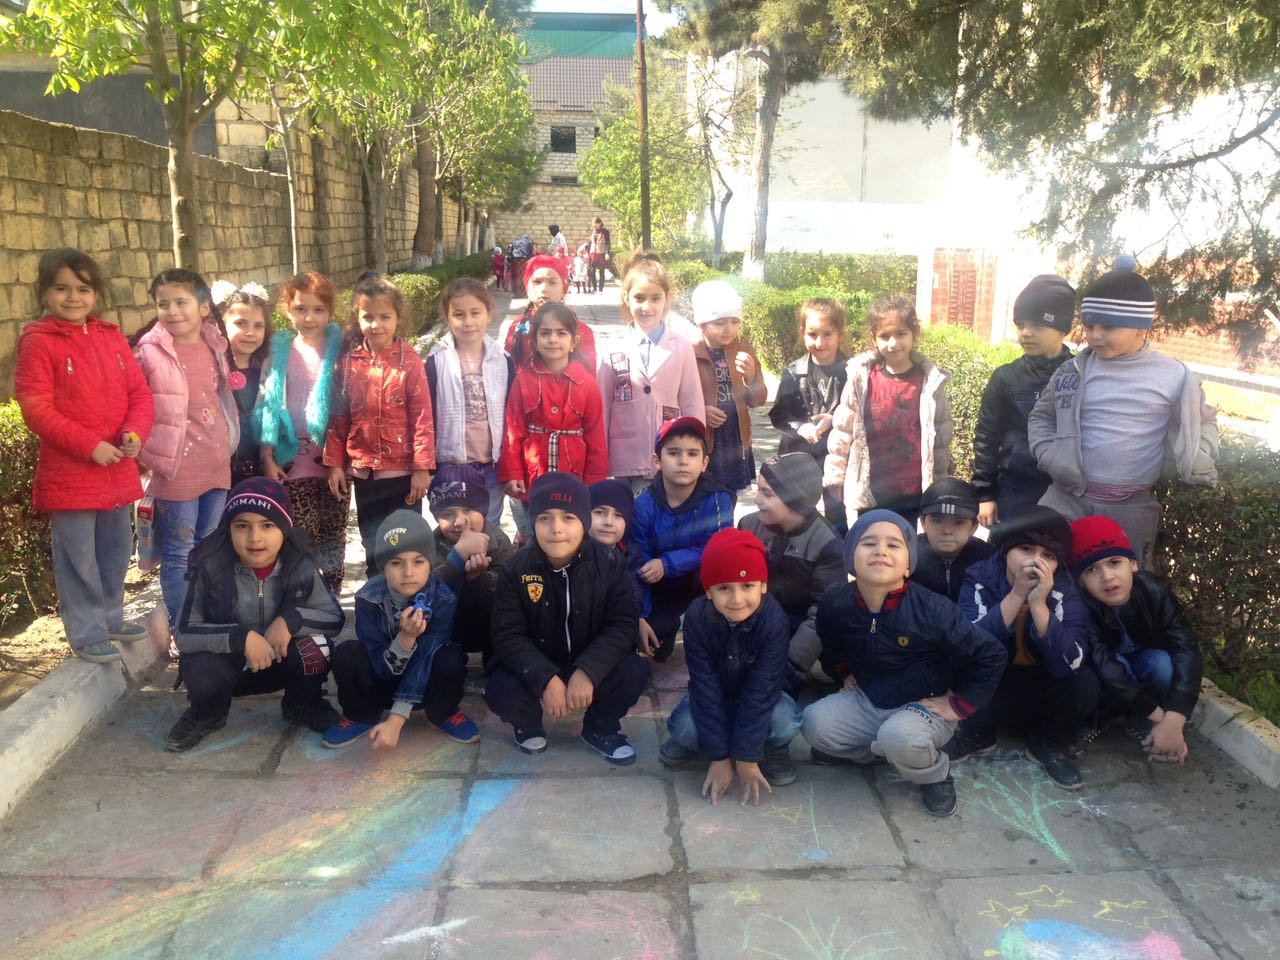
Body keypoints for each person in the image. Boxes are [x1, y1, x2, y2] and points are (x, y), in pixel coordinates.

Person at [802, 510, 1006, 817]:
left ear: (908, 564)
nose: (880, 551)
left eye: (893, 545)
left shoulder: (933, 610)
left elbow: (991, 654)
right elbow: (830, 638)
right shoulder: (836, 600)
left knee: (901, 738)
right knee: (813, 724)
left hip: (924, 707)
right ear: (850, 557)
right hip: (869, 699)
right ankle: (882, 752)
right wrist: (844, 672)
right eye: (868, 543)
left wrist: (958, 705)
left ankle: (933, 774)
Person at [1028, 260, 1218, 569]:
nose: (1095, 336)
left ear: (1141, 326)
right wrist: (1049, 455)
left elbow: (1204, 421)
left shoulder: (1174, 376)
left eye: (1108, 327)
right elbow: (1041, 417)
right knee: (1047, 575)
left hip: (1130, 511)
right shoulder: (1073, 370)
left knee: (1126, 585)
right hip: (1065, 500)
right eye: (1089, 326)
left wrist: (1199, 455)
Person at [14, 248, 154, 664]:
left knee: (115, 551)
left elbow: (139, 394)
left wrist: (134, 433)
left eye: (83, 289)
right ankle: (87, 632)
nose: (73, 297)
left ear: (96, 294)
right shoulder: (39, 342)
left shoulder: (111, 337)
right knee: (78, 559)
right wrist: (89, 445)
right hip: (72, 474)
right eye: (62, 288)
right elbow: (36, 409)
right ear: (44, 293)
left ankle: (110, 618)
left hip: (117, 471)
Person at [165, 478, 343, 751]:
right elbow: (185, 631)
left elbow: (334, 617)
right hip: (228, 666)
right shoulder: (209, 564)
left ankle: (303, 705)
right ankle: (207, 714)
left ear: (285, 528)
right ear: (228, 529)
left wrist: (291, 621)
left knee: (318, 647)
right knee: (198, 661)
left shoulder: (300, 562)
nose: (255, 537)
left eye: (267, 525)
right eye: (242, 526)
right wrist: (240, 638)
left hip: (279, 658)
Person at [485, 473, 650, 763]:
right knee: (500, 687)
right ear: (533, 522)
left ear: (584, 522)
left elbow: (623, 624)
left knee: (634, 670)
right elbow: (507, 635)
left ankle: (599, 727)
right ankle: (528, 724)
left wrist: (589, 670)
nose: (556, 528)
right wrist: (545, 678)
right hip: (538, 658)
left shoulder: (610, 563)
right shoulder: (515, 569)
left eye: (568, 518)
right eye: (545, 518)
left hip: (589, 657)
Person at [954, 506, 1097, 790]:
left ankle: (1049, 742)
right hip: (993, 685)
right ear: (1006, 551)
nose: (1035, 561)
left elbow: (1071, 660)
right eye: (1026, 549)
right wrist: (1017, 594)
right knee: (956, 664)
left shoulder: (1064, 592)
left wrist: (1039, 605)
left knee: (1085, 684)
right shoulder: (979, 578)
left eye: (1048, 556)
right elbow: (969, 646)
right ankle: (978, 733)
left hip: (1039, 686)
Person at [659, 528, 803, 802]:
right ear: (709, 591)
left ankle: (771, 750)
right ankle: (711, 744)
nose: (737, 600)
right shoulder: (696, 617)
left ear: (763, 586)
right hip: (717, 697)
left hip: (763, 699)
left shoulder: (774, 620)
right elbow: (704, 685)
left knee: (786, 720)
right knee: (683, 727)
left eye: (747, 586)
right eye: (724, 588)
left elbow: (762, 690)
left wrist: (746, 759)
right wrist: (720, 758)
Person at [322, 509, 484, 749]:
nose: (408, 572)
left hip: (425, 684)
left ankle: (443, 712)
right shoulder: (367, 598)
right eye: (396, 563)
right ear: (382, 567)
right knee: (347, 653)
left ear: (430, 564)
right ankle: (360, 715)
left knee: (451, 656)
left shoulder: (443, 599)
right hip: (383, 681)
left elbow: (426, 657)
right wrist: (405, 639)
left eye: (418, 561)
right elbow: (379, 665)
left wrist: (396, 719)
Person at [136, 268, 239, 632]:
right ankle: (184, 630)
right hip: (175, 467)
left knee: (207, 547)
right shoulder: (149, 352)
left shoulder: (215, 343)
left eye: (181, 302)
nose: (172, 311)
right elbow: (135, 403)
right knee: (179, 553)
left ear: (204, 307)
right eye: (163, 304)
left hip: (215, 463)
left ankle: (206, 622)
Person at [324, 273, 435, 577]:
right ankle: (376, 595)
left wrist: (422, 468)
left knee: (404, 541)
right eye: (368, 317)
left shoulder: (409, 362)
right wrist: (334, 463)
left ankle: (407, 594)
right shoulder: (349, 362)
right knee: (372, 540)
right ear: (357, 318)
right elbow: (339, 415)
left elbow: (423, 418)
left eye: (385, 317)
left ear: (398, 318)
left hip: (403, 474)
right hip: (365, 473)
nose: (376, 324)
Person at [1070, 516, 1202, 763]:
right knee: (1108, 669)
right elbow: (1103, 663)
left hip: (1142, 661)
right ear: (1081, 583)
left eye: (1114, 562)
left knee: (1161, 663)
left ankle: (1140, 720)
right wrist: (1162, 719)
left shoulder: (1155, 591)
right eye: (1091, 570)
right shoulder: (1081, 607)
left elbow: (1187, 648)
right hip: (1108, 671)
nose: (1107, 577)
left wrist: (1176, 718)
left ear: (1133, 564)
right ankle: (1102, 719)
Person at [824, 296, 952, 532]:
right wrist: (836, 473)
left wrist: (940, 483)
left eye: (901, 334)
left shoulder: (930, 383)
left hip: (914, 492)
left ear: (914, 333)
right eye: (884, 336)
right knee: (871, 544)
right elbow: (843, 429)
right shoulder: (861, 379)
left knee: (907, 547)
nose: (893, 343)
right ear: (873, 338)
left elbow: (941, 439)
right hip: (872, 490)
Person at [256, 272, 349, 592]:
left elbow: (346, 410)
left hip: (334, 466)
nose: (310, 318)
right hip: (291, 466)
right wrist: (268, 457)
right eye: (301, 309)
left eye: (318, 309)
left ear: (330, 311)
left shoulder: (341, 355)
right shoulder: (278, 356)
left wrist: (338, 461)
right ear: (287, 309)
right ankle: (303, 599)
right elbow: (267, 409)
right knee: (299, 537)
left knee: (333, 536)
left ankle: (331, 598)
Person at [972, 275, 1076, 527]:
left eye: (1037, 325)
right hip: (1015, 490)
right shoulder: (1006, 377)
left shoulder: (1080, 376)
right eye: (1020, 325)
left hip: (1067, 491)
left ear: (1062, 329)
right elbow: (986, 437)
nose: (1025, 333)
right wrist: (984, 494)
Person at [628, 417, 734, 662]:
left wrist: (668, 563)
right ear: (657, 461)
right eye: (673, 453)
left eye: (692, 454)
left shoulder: (718, 498)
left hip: (698, 581)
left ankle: (715, 627)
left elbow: (718, 548)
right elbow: (637, 562)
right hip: (659, 584)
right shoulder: (642, 505)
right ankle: (666, 624)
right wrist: (640, 615)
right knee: (653, 644)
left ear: (704, 463)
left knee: (721, 566)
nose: (683, 461)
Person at [499, 303, 607, 540]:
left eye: (561, 333)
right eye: (545, 333)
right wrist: (513, 472)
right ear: (535, 340)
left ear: (574, 341)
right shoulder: (523, 381)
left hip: (574, 473)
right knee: (534, 534)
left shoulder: (587, 383)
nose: (553, 340)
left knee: (570, 534)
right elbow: (513, 430)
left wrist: (595, 482)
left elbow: (596, 435)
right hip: (533, 474)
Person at [599, 252, 705, 493]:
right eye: (639, 298)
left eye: (655, 298)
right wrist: (599, 455)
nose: (646, 307)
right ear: (626, 298)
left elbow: (692, 402)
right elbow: (603, 406)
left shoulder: (681, 346)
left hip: (668, 454)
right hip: (624, 456)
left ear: (667, 299)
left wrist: (695, 452)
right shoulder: (611, 347)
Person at [737, 454, 844, 684]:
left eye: (767, 494)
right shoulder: (748, 526)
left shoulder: (826, 543)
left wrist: (788, 666)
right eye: (758, 489)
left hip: (797, 628)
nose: (756, 499)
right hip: (755, 621)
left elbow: (823, 612)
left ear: (796, 501)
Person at [425, 277, 513, 529]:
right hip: (451, 465)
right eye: (459, 314)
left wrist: (510, 464)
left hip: (491, 465)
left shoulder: (502, 360)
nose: (468, 321)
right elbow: (427, 415)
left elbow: (512, 415)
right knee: (454, 527)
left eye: (475, 312)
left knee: (489, 526)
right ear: (447, 317)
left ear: (488, 315)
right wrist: (427, 466)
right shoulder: (437, 361)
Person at [769, 297, 850, 529]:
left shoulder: (852, 372)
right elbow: (779, 414)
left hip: (837, 458)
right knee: (796, 514)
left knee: (838, 516)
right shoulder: (794, 372)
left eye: (827, 334)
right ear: (802, 333)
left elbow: (861, 413)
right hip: (799, 456)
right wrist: (800, 426)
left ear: (840, 334)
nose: (820, 342)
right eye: (812, 334)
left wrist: (835, 420)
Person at [424, 464, 513, 665]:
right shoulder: (430, 544)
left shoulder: (500, 542)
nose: (459, 521)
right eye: (447, 514)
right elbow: (428, 592)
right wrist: (456, 559)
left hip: (490, 628)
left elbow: (508, 595)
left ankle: (495, 661)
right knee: (445, 663)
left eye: (468, 510)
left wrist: (480, 578)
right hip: (449, 629)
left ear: (483, 510)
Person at [691, 280, 767, 493]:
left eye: (735, 322)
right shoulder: (691, 353)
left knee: (730, 496)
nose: (729, 329)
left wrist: (750, 377)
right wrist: (700, 412)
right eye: (719, 322)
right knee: (701, 494)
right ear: (702, 323)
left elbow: (758, 400)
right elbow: (680, 396)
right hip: (705, 438)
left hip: (735, 436)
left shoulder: (745, 351)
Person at [214, 280, 272, 487]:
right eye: (241, 324)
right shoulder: (212, 371)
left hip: (261, 468)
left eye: (258, 326)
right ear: (220, 325)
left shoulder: (269, 371)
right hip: (219, 472)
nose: (250, 332)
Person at [502, 254, 597, 372]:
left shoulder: (581, 331)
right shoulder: (517, 328)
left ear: (563, 289)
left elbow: (589, 376)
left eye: (552, 282)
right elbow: (506, 373)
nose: (544, 289)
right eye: (537, 282)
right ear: (527, 288)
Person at [910, 477, 994, 603]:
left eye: (959, 522)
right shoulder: (908, 556)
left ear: (973, 526)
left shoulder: (988, 560)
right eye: (937, 521)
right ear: (923, 522)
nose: (947, 531)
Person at [590, 217, 612, 292]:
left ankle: (600, 289)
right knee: (591, 270)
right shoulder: (593, 231)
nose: (594, 226)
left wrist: (607, 253)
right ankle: (594, 287)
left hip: (601, 253)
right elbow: (591, 243)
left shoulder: (605, 231)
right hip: (593, 253)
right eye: (593, 225)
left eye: (595, 225)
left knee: (601, 271)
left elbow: (608, 243)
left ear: (599, 224)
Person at [509, 232, 534, 297]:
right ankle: (523, 292)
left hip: (515, 260)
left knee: (515, 276)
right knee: (523, 275)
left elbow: (511, 252)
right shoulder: (529, 242)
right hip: (524, 260)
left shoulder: (516, 242)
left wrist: (511, 260)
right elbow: (531, 253)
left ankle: (515, 292)